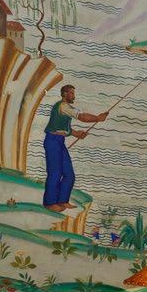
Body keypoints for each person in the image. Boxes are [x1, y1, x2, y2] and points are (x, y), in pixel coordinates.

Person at [43, 84, 108, 212]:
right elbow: (82, 117)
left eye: (73, 93)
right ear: (64, 94)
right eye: (71, 93)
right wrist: (97, 118)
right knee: (55, 173)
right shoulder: (63, 106)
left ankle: (62, 201)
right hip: (52, 141)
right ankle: (50, 203)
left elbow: (63, 127)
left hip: (59, 142)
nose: (74, 96)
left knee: (69, 174)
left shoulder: (65, 108)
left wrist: (76, 133)